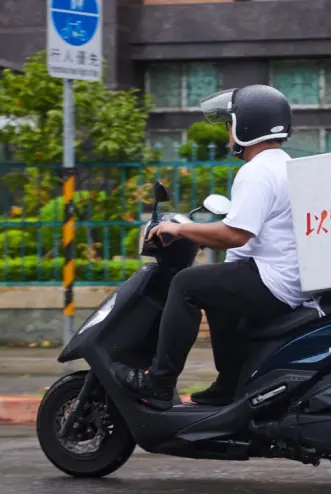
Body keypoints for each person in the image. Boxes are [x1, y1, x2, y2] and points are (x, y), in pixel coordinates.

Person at [112, 85, 308, 410]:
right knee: (217, 288)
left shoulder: (256, 173)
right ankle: (230, 384)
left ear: (246, 126)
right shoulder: (284, 164)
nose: (227, 135)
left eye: (228, 125)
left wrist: (180, 229)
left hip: (275, 281)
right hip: (287, 277)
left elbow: (236, 235)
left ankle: (158, 382)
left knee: (186, 284)